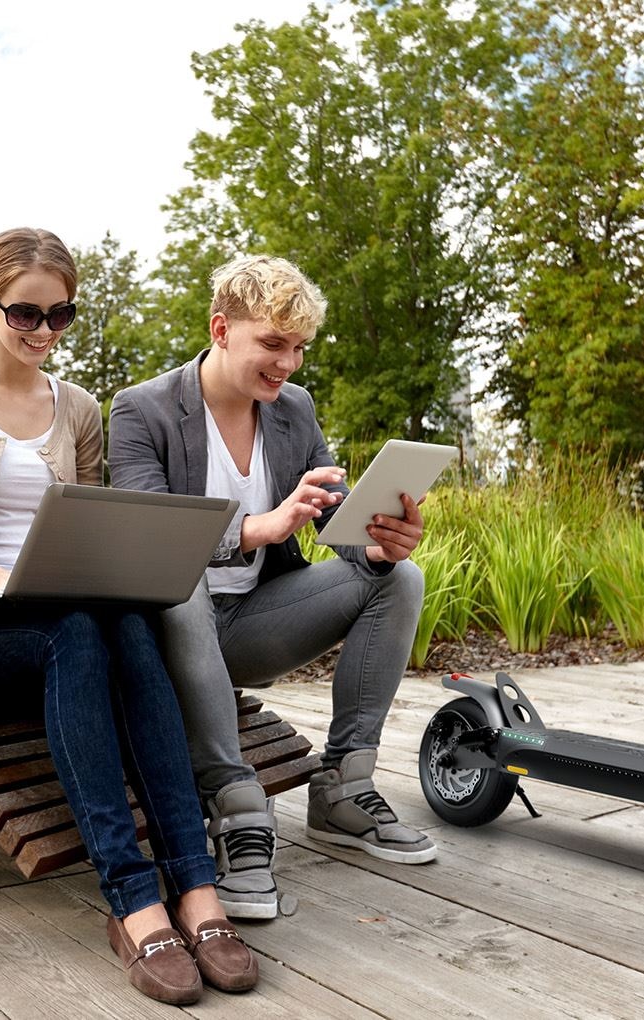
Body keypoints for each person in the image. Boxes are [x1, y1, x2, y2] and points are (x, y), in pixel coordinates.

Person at [0, 227, 257, 1006]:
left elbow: (91, 526)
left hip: (68, 615)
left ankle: (196, 887)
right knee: (75, 633)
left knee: (123, 627)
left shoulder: (81, 409)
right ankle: (133, 898)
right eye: (26, 314)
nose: (43, 333)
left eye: (61, 317)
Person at [108, 254, 432, 922]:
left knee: (399, 578)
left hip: (255, 621)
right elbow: (147, 543)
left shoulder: (293, 410)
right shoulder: (142, 410)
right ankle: (235, 804)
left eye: (299, 349)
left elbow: (332, 521)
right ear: (221, 328)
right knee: (180, 581)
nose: (287, 365)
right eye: (273, 344)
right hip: (170, 632)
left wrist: (373, 541)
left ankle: (344, 787)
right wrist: (262, 525)